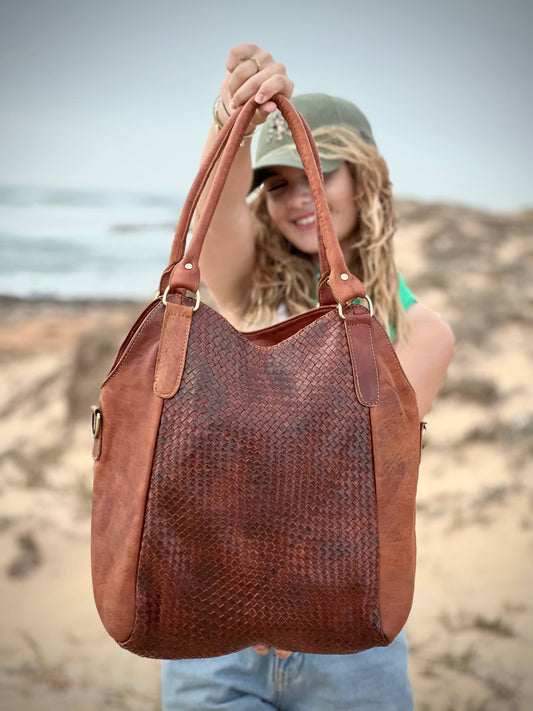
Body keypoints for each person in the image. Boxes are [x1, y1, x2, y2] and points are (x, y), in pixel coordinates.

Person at [161, 43, 455, 710]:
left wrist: (284, 584)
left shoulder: (422, 336)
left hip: (346, 634)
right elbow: (212, 220)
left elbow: (349, 482)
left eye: (318, 174)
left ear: (365, 175)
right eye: (277, 183)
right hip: (217, 631)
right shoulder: (248, 288)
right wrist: (231, 117)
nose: (299, 199)